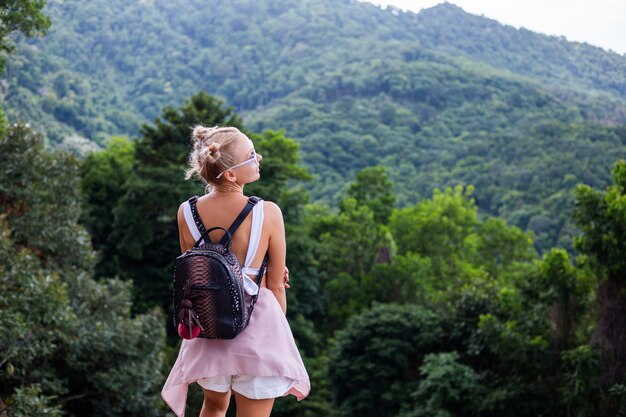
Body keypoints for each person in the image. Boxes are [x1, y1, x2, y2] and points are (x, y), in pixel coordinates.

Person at [162, 126, 310, 417]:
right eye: (251, 155)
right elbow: (277, 286)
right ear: (230, 174)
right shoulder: (268, 213)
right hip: (256, 331)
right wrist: (277, 328)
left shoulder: (186, 211)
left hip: (208, 327)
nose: (259, 157)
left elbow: (195, 268)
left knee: (214, 407)